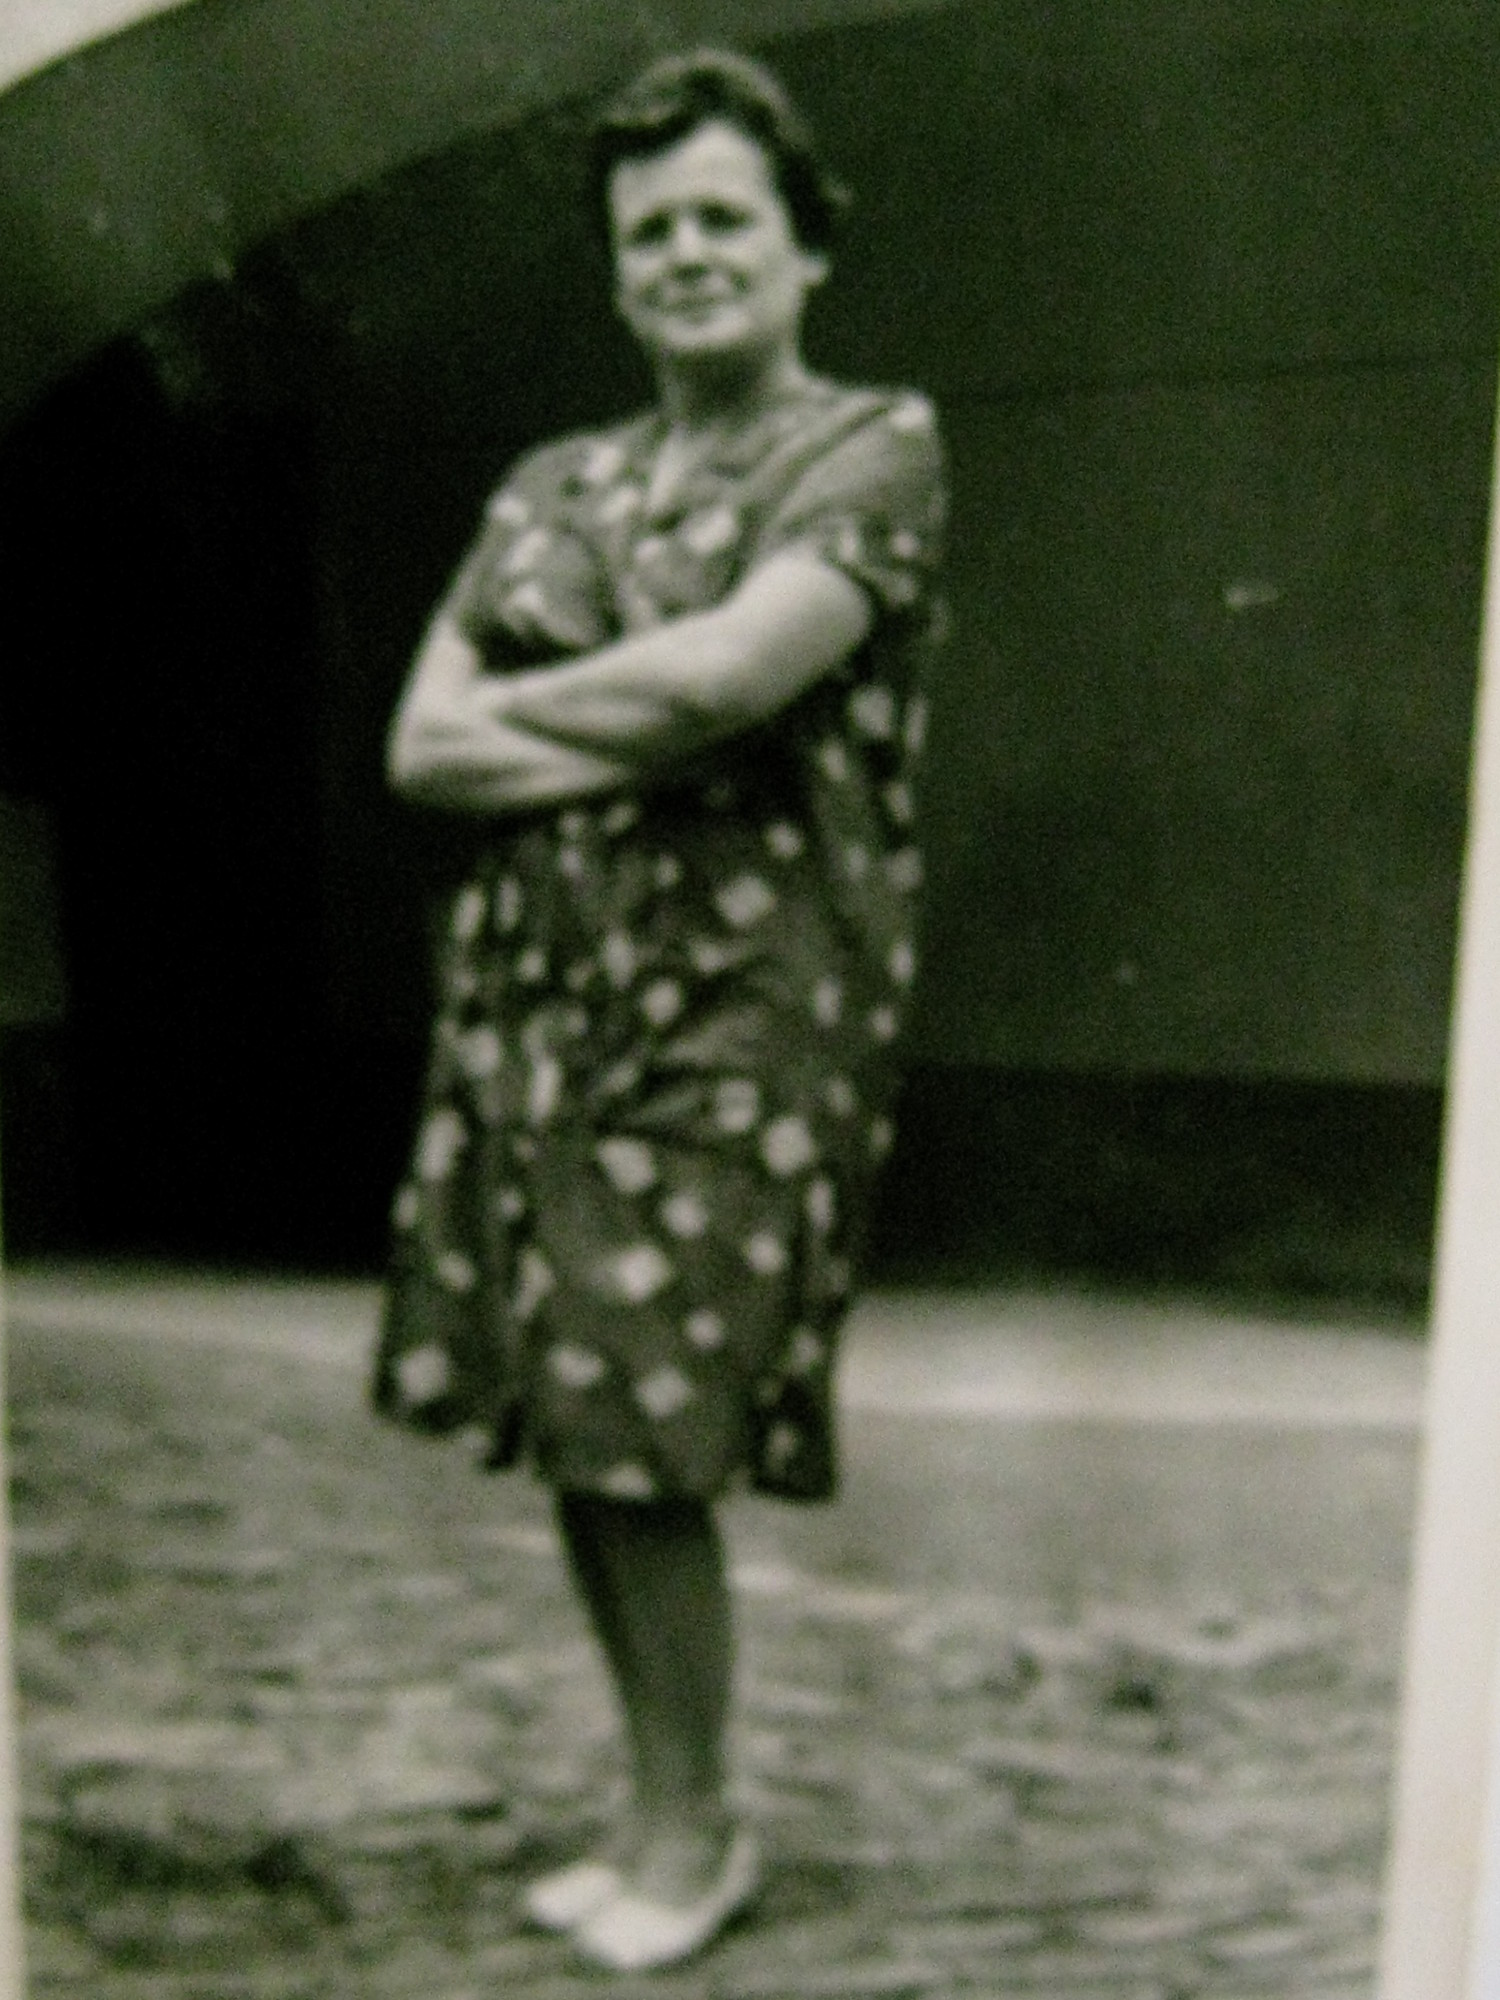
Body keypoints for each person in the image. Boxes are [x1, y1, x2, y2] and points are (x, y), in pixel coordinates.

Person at [372, 47, 946, 1972]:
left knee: (639, 1411)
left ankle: (696, 1837)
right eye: (650, 232)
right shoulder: (554, 484)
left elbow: (730, 680)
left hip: (739, 1008)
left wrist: (557, 713)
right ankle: (659, 1803)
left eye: (723, 218)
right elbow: (418, 748)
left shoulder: (874, 446)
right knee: (575, 1412)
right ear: (620, 274)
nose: (687, 254)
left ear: (804, 250)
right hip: (544, 1001)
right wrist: (646, 720)